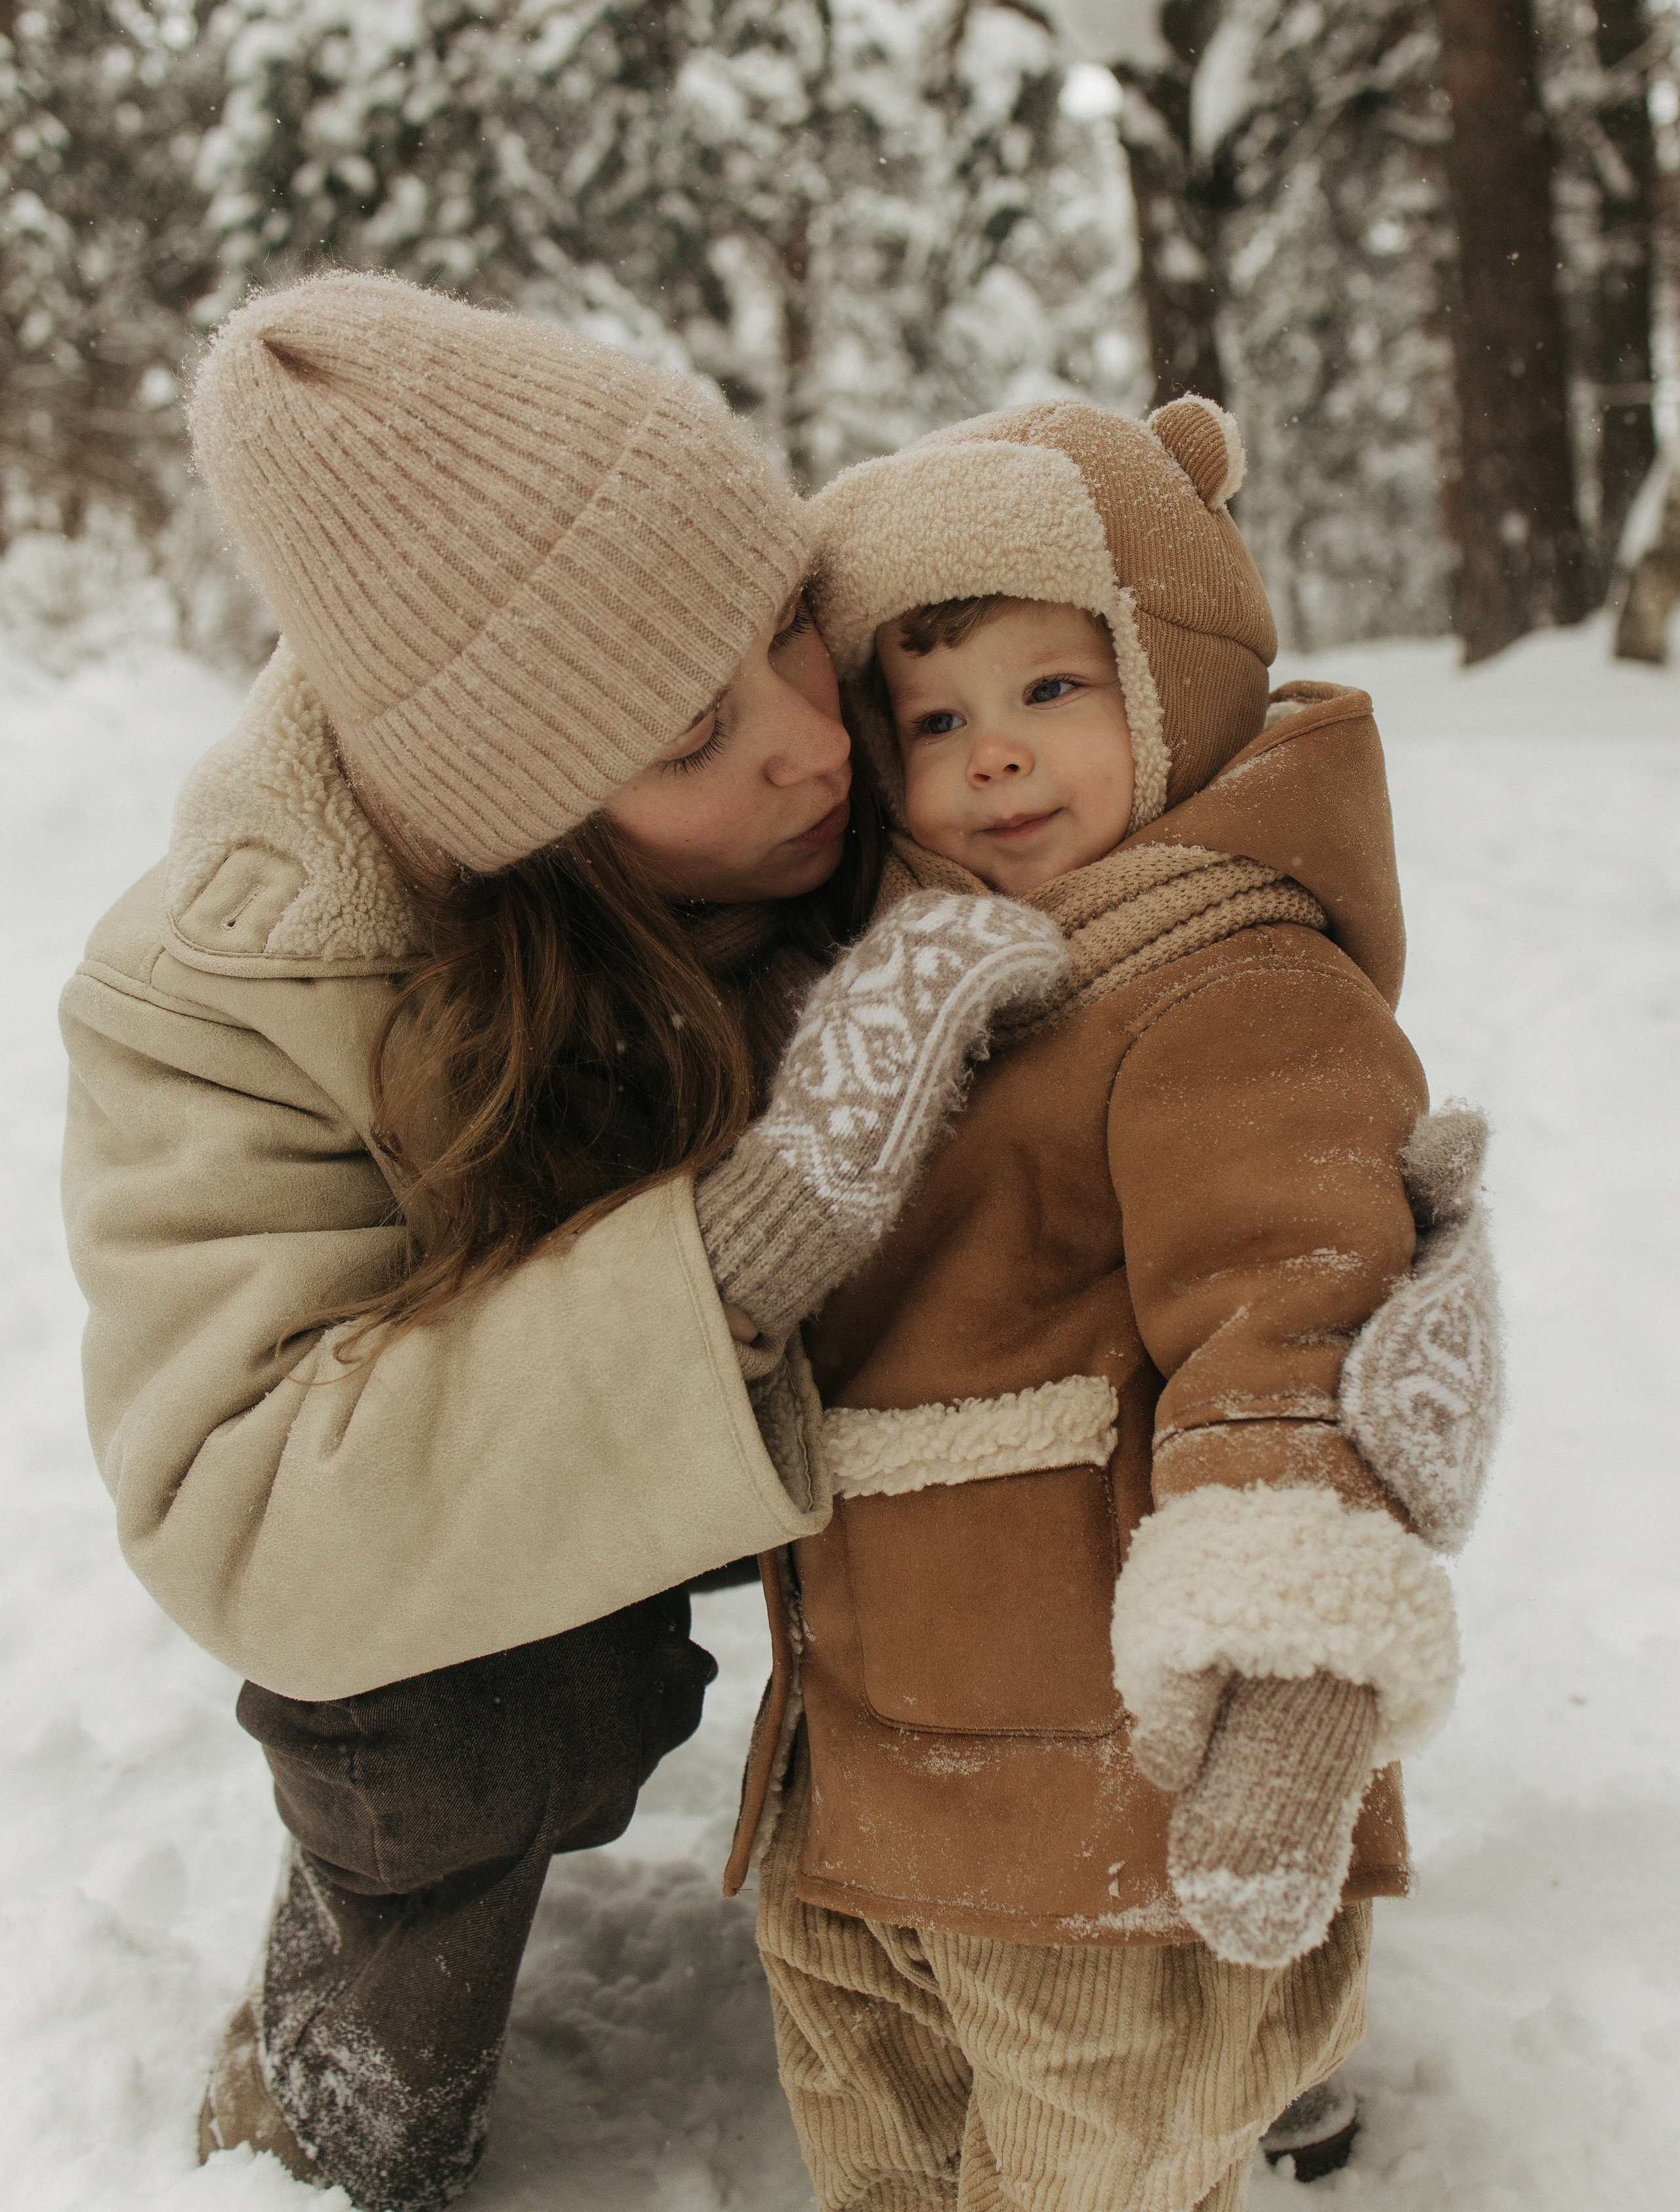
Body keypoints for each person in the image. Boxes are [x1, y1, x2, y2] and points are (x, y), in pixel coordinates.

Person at [57, 272, 1064, 2212]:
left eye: (786, 624)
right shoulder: (219, 991)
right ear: (524, 822)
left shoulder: (908, 710)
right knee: (458, 1724)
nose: (808, 746)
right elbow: (251, 1503)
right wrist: (742, 1261)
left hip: (912, 1394)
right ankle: (340, 2083)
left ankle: (1176, 1944)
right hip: (549, 1492)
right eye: (692, 741)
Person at [700, 394, 1496, 2212]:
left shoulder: (1231, 985)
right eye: (935, 718)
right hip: (877, 1786)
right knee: (884, 2154)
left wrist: (1289, 1709)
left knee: (1098, 2170)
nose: (994, 757)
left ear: (1171, 671)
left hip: (1111, 1807)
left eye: (1052, 689)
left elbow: (1303, 1343)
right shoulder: (907, 989)